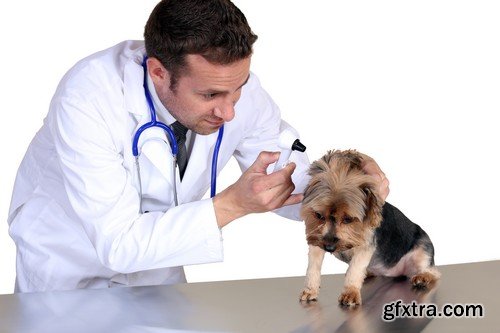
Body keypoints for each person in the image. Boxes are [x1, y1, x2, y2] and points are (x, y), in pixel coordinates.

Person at [8, 0, 389, 293]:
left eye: (237, 88)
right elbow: (119, 246)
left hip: (157, 271)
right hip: (66, 268)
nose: (228, 110)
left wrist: (349, 187)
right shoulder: (90, 96)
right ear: (158, 72)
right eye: (210, 94)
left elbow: (289, 181)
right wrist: (235, 204)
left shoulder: (238, 92)